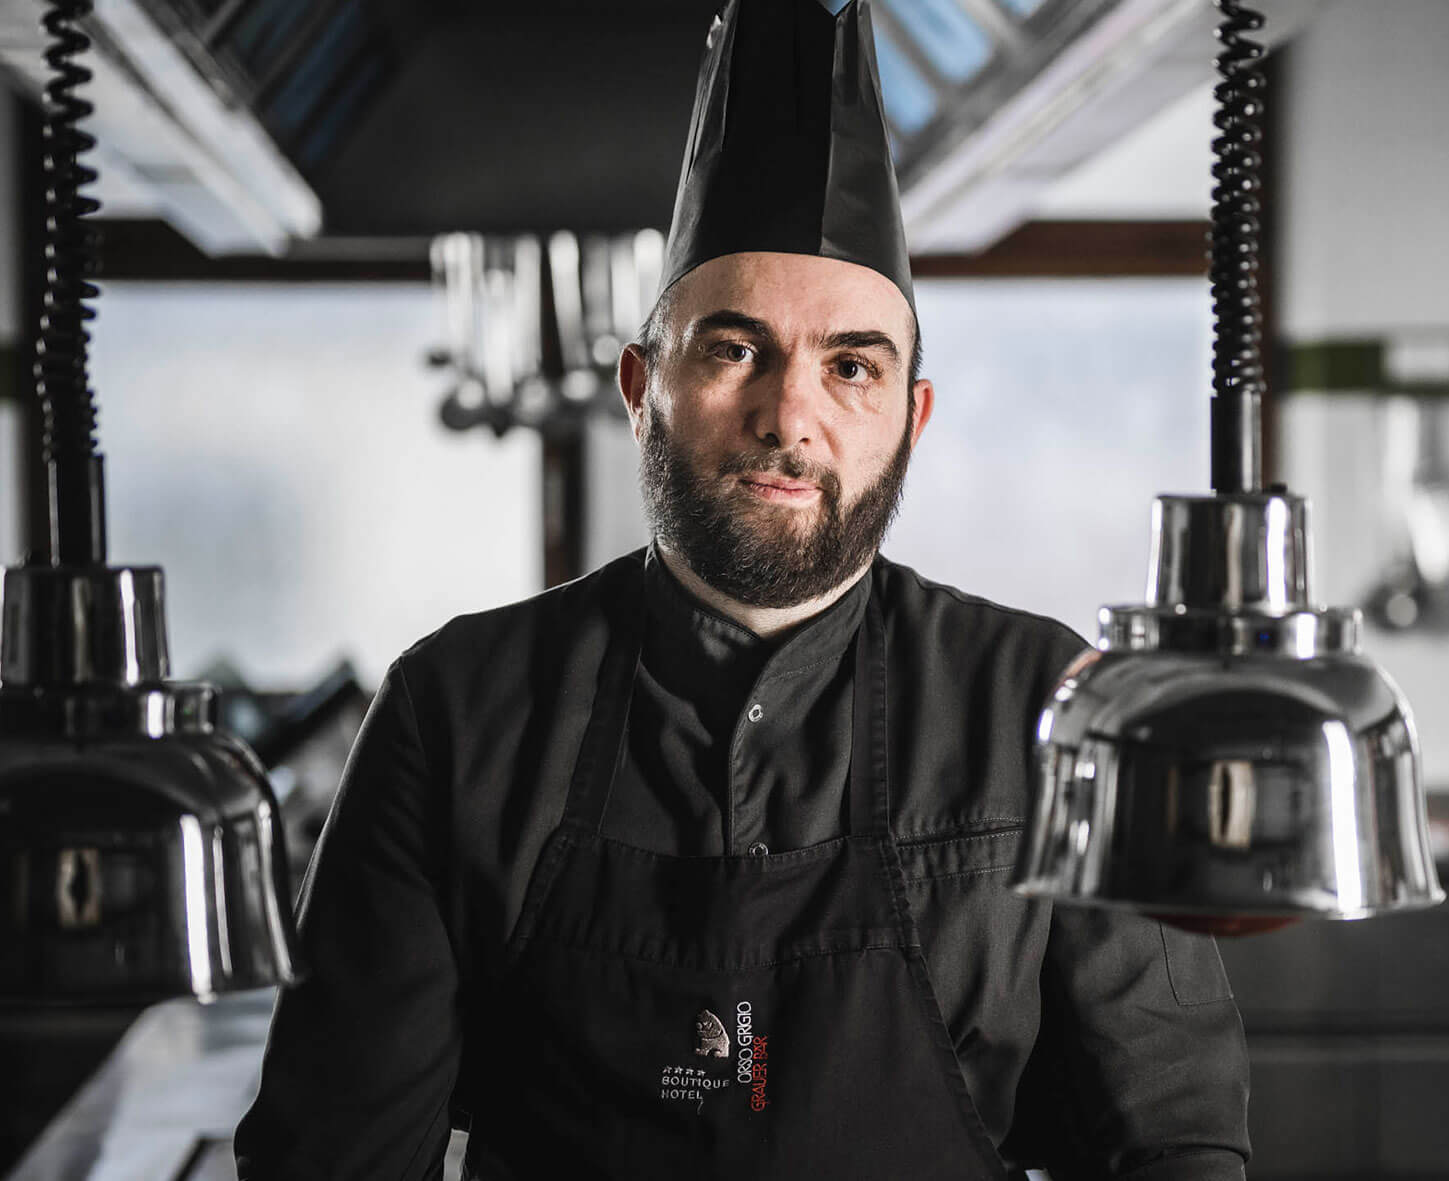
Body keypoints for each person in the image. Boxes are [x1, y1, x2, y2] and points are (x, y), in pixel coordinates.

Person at [234, 1, 1250, 1177]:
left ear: (910, 420)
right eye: (732, 350)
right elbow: (332, 1157)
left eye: (852, 365)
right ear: (639, 386)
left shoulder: (1053, 705)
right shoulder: (452, 710)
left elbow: (1172, 1140)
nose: (788, 414)